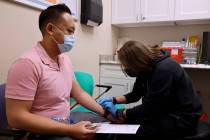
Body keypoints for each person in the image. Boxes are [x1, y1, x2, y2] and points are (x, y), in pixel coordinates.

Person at [5, 4, 111, 140]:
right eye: (70, 31)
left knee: (106, 128)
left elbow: (79, 93)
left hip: (65, 122)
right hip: (41, 133)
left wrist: (106, 113)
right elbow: (16, 118)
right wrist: (70, 130)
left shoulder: (64, 59)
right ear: (50, 29)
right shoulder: (27, 64)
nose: (73, 37)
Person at [98, 40, 203, 140]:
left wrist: (120, 112)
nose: (126, 68)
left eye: (127, 65)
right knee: (125, 123)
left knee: (133, 133)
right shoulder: (144, 67)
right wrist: (113, 100)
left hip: (182, 119)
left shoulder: (164, 69)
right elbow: (136, 94)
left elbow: (152, 106)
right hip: (164, 112)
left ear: (136, 61)